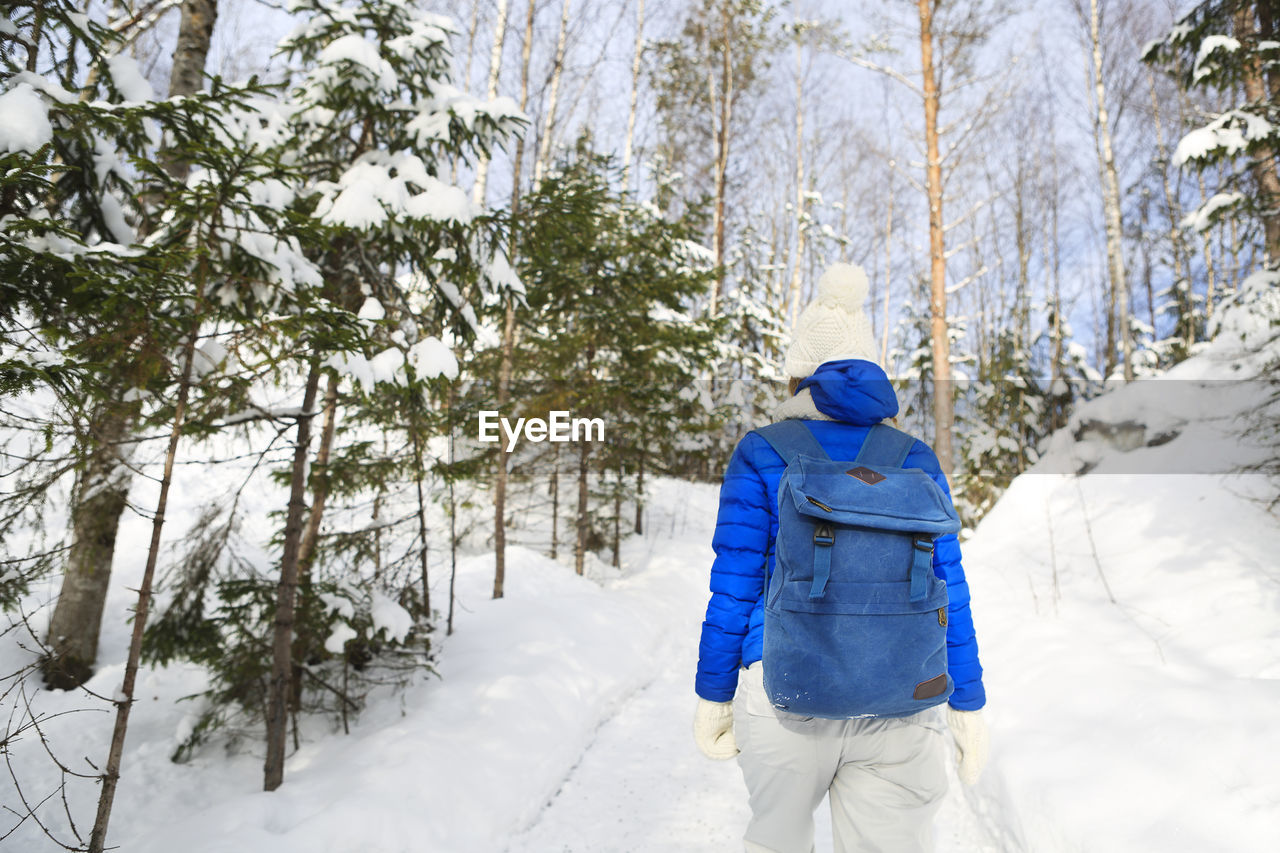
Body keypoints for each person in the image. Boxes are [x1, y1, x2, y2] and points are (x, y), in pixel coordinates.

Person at [692, 263, 989, 853]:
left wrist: (712, 693)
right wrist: (969, 702)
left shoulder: (762, 452)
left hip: (784, 693)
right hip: (901, 698)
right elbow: (947, 587)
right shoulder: (914, 457)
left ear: (799, 377)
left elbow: (735, 585)